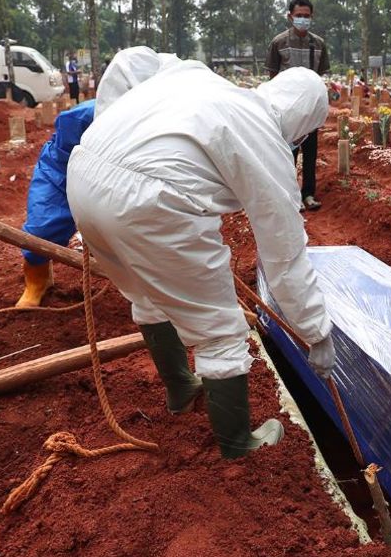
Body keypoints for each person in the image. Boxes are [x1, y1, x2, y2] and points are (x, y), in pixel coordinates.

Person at [66, 65, 336, 459]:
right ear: (305, 125)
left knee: (147, 295)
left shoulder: (202, 80)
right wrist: (317, 332)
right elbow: (285, 257)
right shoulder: (264, 134)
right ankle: (239, 445)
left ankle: (181, 389)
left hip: (84, 175)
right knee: (220, 329)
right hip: (151, 201)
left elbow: (130, 62)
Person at [17, 46, 178, 308]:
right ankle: (37, 280)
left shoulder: (168, 119)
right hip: (63, 166)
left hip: (129, 175)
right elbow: (64, 155)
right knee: (43, 226)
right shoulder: (83, 116)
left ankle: (162, 284)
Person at [265, 0, 330, 211]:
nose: (303, 19)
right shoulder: (279, 43)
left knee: (310, 152)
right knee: (287, 154)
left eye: (307, 16)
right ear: (290, 16)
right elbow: (273, 78)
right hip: (287, 111)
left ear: (312, 17)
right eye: (299, 15)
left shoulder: (318, 44)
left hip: (310, 110)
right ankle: (290, 195)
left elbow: (319, 76)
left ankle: (309, 194)